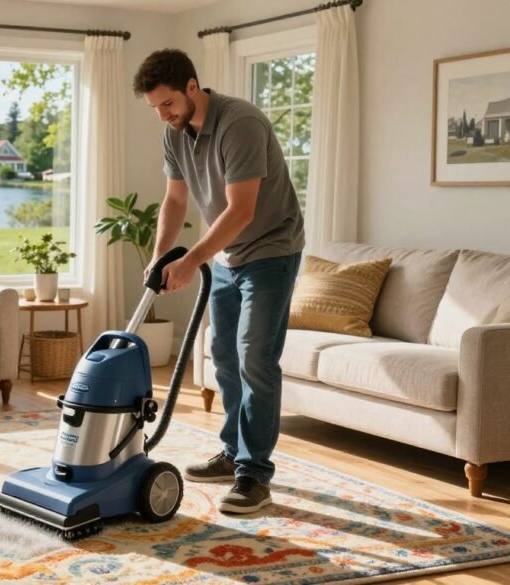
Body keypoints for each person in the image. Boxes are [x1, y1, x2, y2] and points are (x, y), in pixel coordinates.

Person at [133, 49, 305, 514]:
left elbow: (242, 210)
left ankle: (254, 474)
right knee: (223, 356)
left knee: (255, 357)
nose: (162, 114)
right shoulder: (174, 132)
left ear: (192, 87)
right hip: (227, 254)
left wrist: (191, 261)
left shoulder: (240, 124)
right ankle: (233, 452)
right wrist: (159, 256)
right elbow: (174, 201)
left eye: (166, 103)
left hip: (271, 249)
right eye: (154, 108)